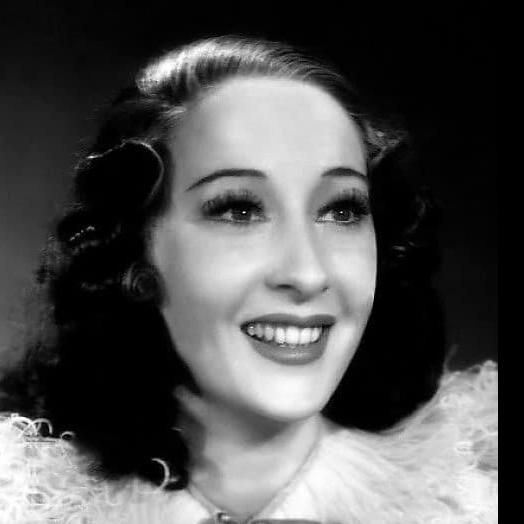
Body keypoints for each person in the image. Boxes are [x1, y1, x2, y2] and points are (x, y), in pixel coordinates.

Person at [0, 36, 497, 523]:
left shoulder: (468, 497)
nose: (307, 273)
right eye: (239, 210)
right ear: (137, 254)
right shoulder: (27, 501)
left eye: (342, 210)